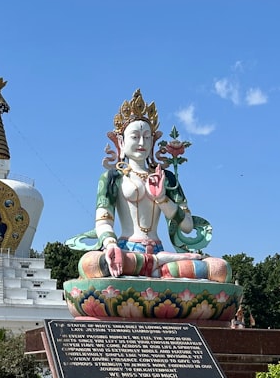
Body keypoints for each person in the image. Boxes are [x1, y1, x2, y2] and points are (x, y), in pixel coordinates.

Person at [69, 90, 229, 282]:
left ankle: (155, 264)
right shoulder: (112, 177)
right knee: (91, 263)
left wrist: (162, 198)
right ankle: (157, 266)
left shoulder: (166, 178)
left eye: (147, 137)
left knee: (220, 268)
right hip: (125, 252)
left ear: (153, 141)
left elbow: (187, 225)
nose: (142, 142)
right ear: (121, 141)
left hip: (149, 254)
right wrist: (110, 245)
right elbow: (103, 222)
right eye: (135, 137)